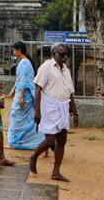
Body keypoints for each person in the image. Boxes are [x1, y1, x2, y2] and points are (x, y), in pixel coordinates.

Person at [29, 44, 79, 182]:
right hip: (49, 107)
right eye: (61, 54)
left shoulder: (66, 70)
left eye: (66, 55)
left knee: (62, 140)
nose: (64, 57)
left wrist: (75, 112)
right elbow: (38, 90)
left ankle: (56, 171)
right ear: (54, 54)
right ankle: (34, 156)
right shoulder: (46, 67)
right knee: (50, 139)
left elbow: (70, 93)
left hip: (63, 106)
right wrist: (37, 111)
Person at [6, 41, 43, 149]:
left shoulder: (24, 63)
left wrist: (20, 96)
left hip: (24, 95)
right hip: (23, 93)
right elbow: (19, 80)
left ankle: (15, 141)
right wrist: (13, 90)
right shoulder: (24, 62)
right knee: (23, 119)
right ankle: (20, 140)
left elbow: (24, 81)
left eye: (14, 50)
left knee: (17, 118)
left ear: (19, 50)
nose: (13, 52)